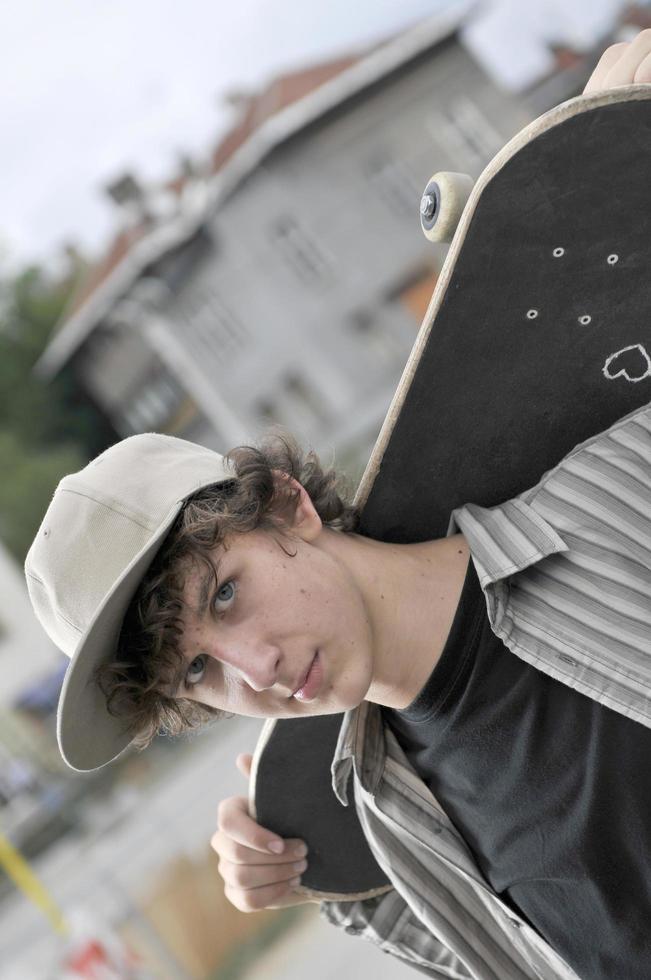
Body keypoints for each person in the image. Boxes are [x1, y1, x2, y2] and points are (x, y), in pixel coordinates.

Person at [24, 32, 651, 980]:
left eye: (225, 595)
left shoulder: (611, 497)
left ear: (285, 508)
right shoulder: (389, 814)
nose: (255, 668)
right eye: (197, 670)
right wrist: (335, 888)